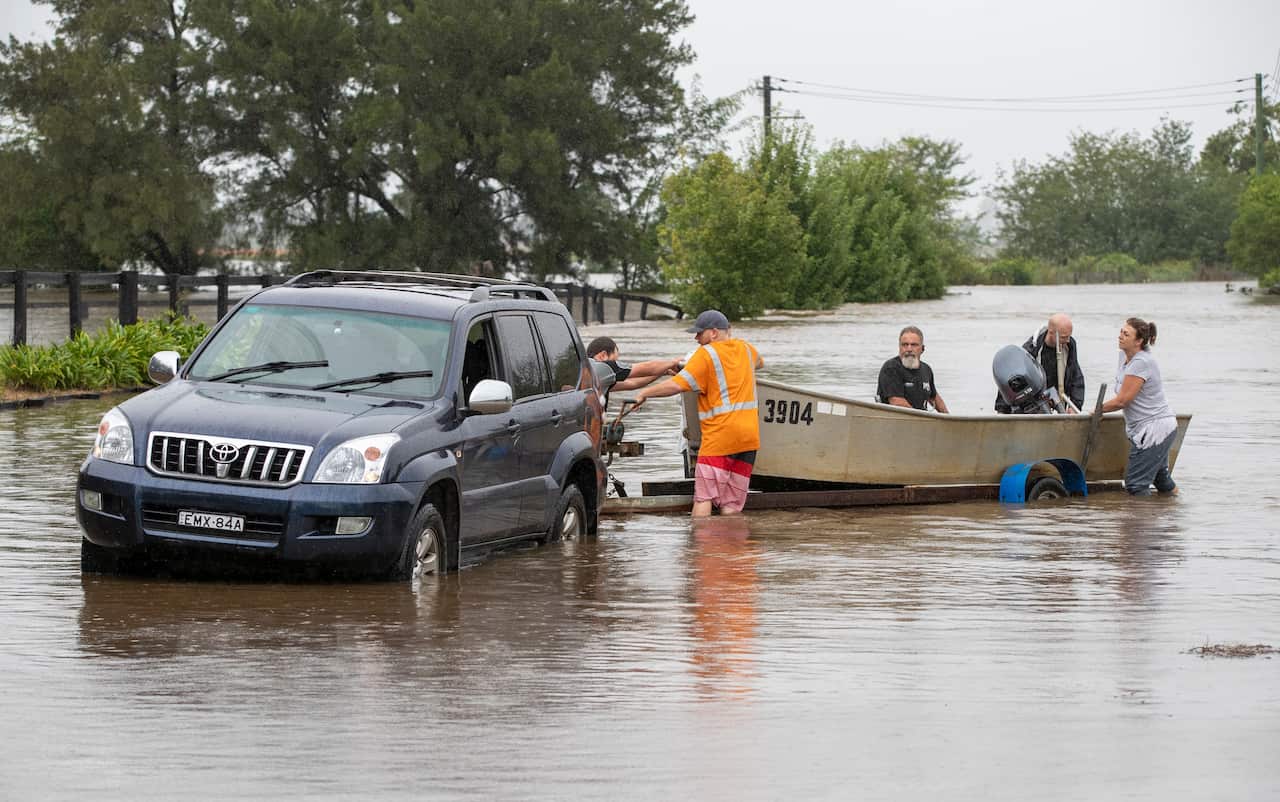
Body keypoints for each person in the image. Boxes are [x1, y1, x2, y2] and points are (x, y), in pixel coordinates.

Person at [633, 310, 764, 516]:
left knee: (704, 498)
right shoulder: (747, 349)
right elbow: (759, 363)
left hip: (720, 439)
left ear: (713, 333)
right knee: (732, 504)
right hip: (749, 440)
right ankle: (732, 546)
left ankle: (700, 547)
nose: (696, 338)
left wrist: (645, 393)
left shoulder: (706, 354)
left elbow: (676, 386)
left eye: (699, 333)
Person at [1100, 317, 1178, 496]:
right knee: (1161, 480)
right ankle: (1172, 514)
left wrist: (1097, 410)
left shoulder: (1142, 362)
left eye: (1126, 334)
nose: (1120, 336)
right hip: (1150, 427)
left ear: (1139, 341)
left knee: (1135, 485)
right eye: (1121, 331)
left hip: (1155, 429)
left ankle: (1139, 523)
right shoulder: (1124, 356)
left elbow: (1123, 400)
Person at [994, 313, 1085, 414]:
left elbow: (1076, 377)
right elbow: (1010, 377)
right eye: (1064, 337)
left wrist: (1076, 405)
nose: (1067, 340)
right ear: (1051, 332)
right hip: (1034, 400)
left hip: (1057, 398)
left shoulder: (1069, 346)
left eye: (1069, 336)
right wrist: (1001, 410)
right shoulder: (1030, 350)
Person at [876, 325, 949, 413]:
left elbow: (933, 397)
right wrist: (922, 420)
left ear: (922, 349)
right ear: (899, 347)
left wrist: (949, 418)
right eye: (905, 345)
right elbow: (896, 402)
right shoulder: (891, 368)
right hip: (895, 420)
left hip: (921, 420)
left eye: (914, 345)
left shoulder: (926, 369)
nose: (909, 349)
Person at [585, 336, 680, 399]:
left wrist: (663, 371)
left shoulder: (592, 375)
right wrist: (674, 362)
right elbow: (648, 368)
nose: (616, 362)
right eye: (615, 359)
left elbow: (632, 383)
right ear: (603, 355)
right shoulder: (603, 367)